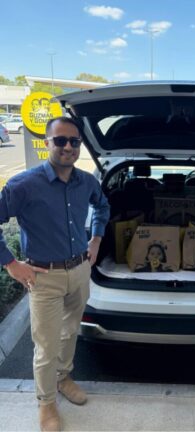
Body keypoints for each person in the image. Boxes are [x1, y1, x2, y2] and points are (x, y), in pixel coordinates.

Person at [0, 116, 110, 431]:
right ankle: (46, 403)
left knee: (69, 332)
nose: (67, 147)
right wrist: (11, 263)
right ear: (46, 142)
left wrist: (97, 239)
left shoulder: (86, 182)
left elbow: (103, 206)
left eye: (74, 141)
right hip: (42, 277)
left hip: (79, 270)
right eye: (60, 140)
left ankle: (63, 378)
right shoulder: (23, 185)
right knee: (46, 346)